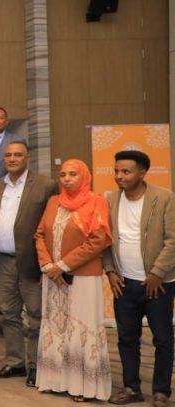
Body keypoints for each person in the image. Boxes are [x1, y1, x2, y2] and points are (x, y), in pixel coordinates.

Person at [33, 159, 112, 402]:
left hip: (83, 277)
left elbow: (98, 240)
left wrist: (63, 265)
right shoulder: (53, 202)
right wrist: (47, 265)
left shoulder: (96, 201)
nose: (66, 179)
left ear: (84, 177)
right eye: (63, 174)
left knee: (81, 328)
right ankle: (54, 380)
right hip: (52, 278)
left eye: (73, 174)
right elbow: (40, 234)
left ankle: (83, 386)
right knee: (56, 327)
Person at [103, 150, 175, 406]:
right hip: (124, 283)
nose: (119, 176)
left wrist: (157, 273)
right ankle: (131, 388)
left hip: (158, 284)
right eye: (116, 171)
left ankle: (162, 391)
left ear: (142, 173)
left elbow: (172, 240)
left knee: (163, 339)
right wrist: (110, 271)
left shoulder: (164, 198)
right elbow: (105, 240)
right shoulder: (110, 199)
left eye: (126, 171)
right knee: (126, 338)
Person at [0, 141, 56, 387]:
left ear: (28, 158)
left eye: (17, 155)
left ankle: (36, 366)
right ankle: (15, 363)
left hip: (33, 262)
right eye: (8, 155)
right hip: (3, 261)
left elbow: (52, 227)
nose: (12, 159)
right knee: (9, 314)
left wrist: (48, 264)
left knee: (36, 316)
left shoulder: (45, 185)